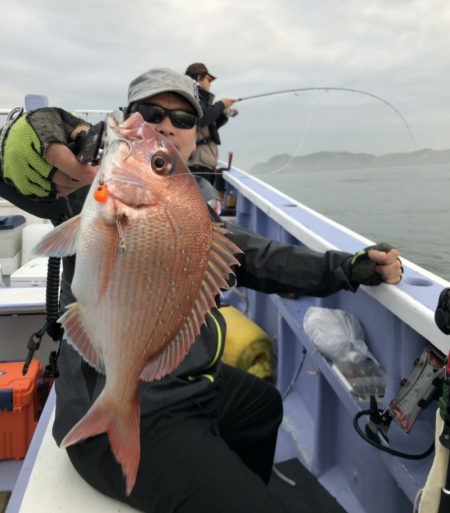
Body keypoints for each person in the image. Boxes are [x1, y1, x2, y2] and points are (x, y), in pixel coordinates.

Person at [0, 68, 403, 513]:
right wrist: (28, 137)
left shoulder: (189, 213)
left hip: (188, 383)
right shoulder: (82, 189)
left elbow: (259, 257)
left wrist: (348, 267)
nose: (168, 125)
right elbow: (21, 178)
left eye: (184, 119)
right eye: (151, 112)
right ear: (125, 118)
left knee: (262, 406)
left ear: (195, 136)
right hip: (129, 406)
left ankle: (229, 482)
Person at [185, 62, 238, 185]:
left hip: (201, 165)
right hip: (197, 166)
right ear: (198, 78)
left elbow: (208, 127)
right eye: (208, 79)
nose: (210, 83)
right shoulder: (194, 98)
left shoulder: (198, 100)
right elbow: (204, 117)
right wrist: (221, 105)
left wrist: (223, 114)